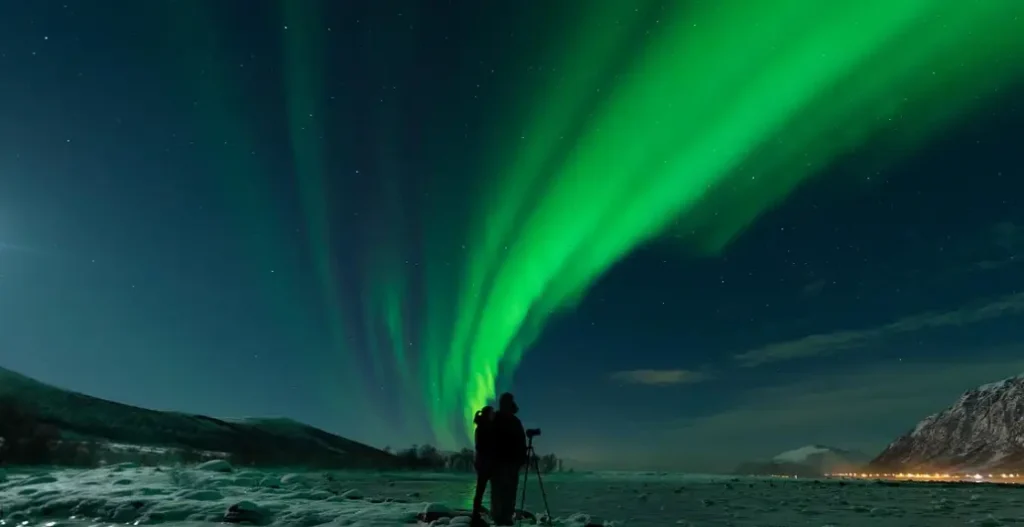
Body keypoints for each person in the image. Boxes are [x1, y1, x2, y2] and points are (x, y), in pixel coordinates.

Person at [489, 392, 527, 526]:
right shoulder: (503, 420)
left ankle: (502, 516)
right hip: (502, 463)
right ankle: (501, 516)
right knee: (504, 491)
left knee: (504, 491)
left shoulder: (498, 419)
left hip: (506, 463)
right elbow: (521, 442)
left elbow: (521, 442)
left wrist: (521, 458)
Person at [471, 406, 495, 525]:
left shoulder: (483, 427)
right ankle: (475, 514)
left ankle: (476, 512)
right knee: (481, 489)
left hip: (483, 463)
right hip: (485, 463)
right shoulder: (483, 428)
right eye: (492, 413)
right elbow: (481, 446)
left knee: (480, 489)